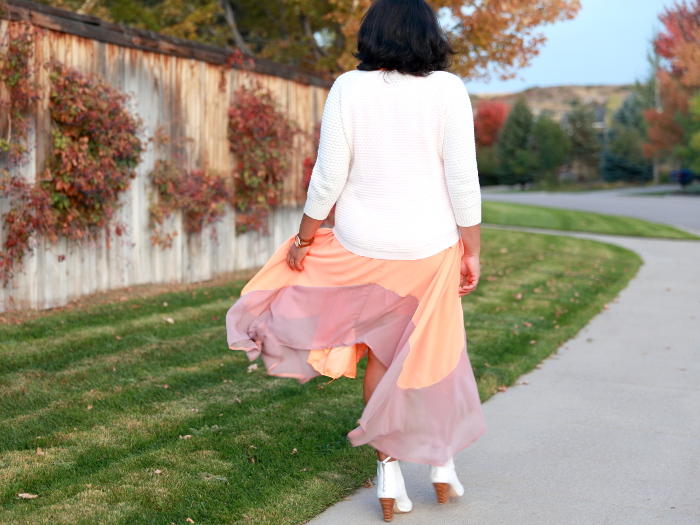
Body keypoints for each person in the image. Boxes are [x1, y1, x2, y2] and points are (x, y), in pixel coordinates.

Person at [226, 0, 485, 520]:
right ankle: (440, 465)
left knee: (382, 355)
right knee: (435, 349)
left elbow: (328, 174)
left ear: (372, 34)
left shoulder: (349, 87)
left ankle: (389, 474)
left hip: (363, 246)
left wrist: (304, 237)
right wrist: (472, 249)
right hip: (429, 248)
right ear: (427, 34)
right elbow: (462, 179)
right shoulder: (448, 89)